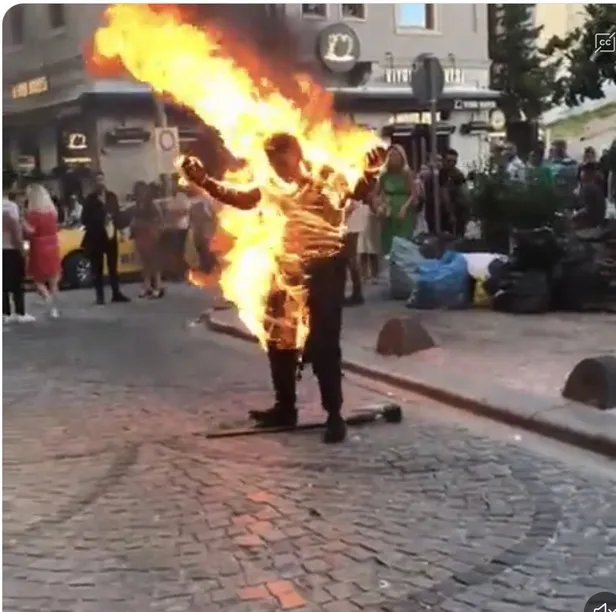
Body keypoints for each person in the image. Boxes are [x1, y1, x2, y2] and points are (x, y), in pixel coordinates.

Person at [179, 134, 384, 444]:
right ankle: (285, 407)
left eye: (281, 158)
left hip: (324, 270)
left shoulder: (324, 180)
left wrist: (370, 171)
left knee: (324, 344)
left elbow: (355, 191)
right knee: (279, 338)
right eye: (272, 160)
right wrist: (205, 181)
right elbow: (242, 199)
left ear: (297, 155)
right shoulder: (271, 187)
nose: (277, 166)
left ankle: (334, 415)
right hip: (286, 269)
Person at [81, 172, 130, 305]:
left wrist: (121, 228)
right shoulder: (90, 200)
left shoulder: (111, 197)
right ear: (94, 183)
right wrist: (100, 219)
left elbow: (118, 214)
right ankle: (100, 296)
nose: (100, 183)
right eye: (97, 180)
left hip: (110, 235)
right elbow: (84, 219)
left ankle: (116, 293)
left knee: (113, 266)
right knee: (97, 268)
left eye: (102, 180)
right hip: (96, 237)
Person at [23, 184, 61, 318]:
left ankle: (47, 299)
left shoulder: (33, 214)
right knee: (53, 279)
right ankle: (54, 308)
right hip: (53, 244)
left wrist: (22, 223)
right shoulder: (52, 212)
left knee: (38, 280)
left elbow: (30, 232)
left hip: (39, 246)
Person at [3, 172, 34, 324]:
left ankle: (4, 312)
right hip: (10, 248)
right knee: (17, 281)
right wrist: (21, 248)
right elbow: (15, 230)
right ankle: (19, 312)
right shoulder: (10, 206)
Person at [376, 145, 417, 256]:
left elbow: (413, 193)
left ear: (402, 157)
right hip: (389, 210)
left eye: (396, 155)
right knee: (389, 240)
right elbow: (376, 194)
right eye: (391, 155)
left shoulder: (407, 173)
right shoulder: (384, 174)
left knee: (403, 240)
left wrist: (405, 207)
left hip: (404, 211)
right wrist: (380, 206)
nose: (393, 158)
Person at [132, 181, 165, 298]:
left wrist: (156, 232)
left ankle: (158, 286)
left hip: (151, 236)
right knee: (145, 264)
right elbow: (134, 220)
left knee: (154, 262)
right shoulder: (137, 206)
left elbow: (160, 220)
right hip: (141, 236)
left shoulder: (152, 205)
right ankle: (147, 286)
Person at [161, 186, 191, 281]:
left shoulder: (182, 198)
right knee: (172, 252)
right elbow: (167, 213)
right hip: (171, 229)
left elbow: (185, 211)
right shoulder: (170, 198)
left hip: (180, 229)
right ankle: (172, 273)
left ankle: (180, 274)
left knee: (179, 253)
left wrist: (173, 215)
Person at [439, 148, 469, 237]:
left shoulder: (458, 175)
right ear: (443, 160)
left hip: (457, 213)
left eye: (454, 162)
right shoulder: (438, 174)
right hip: (440, 213)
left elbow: (464, 194)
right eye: (449, 161)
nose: (451, 164)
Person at [342, 199, 364, 306]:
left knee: (350, 258)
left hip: (351, 223)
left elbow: (352, 204)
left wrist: (343, 212)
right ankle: (356, 292)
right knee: (349, 258)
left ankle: (357, 293)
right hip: (350, 222)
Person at [574, 162, 607, 228]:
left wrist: (575, 216)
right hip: (595, 222)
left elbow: (588, 210)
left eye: (584, 172)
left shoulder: (589, 188)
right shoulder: (594, 187)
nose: (582, 174)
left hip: (590, 223)